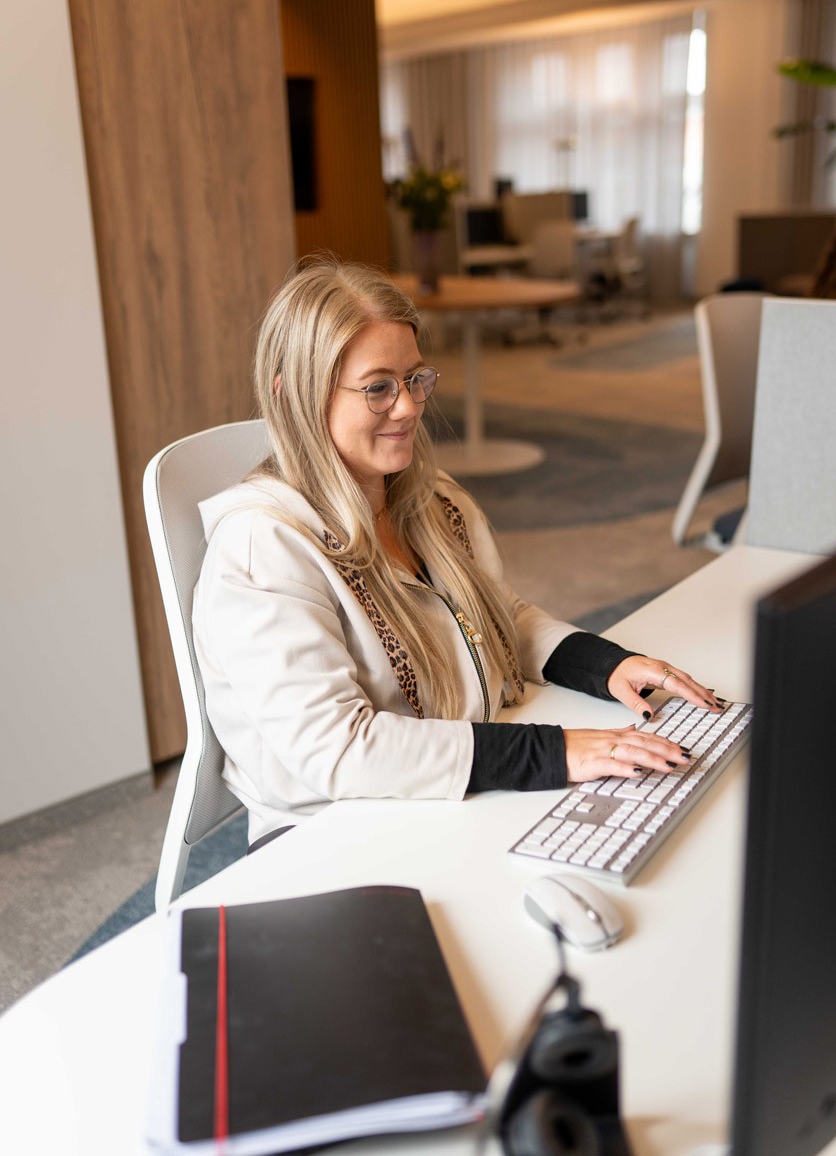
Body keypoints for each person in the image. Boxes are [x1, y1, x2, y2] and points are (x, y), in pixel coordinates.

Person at [193, 258, 720, 848]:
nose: (408, 407)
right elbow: (337, 751)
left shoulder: (429, 499)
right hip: (336, 829)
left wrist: (604, 665)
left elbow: (498, 615)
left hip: (458, 779)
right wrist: (552, 751)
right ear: (293, 394)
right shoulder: (264, 547)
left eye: (415, 379)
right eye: (378, 388)